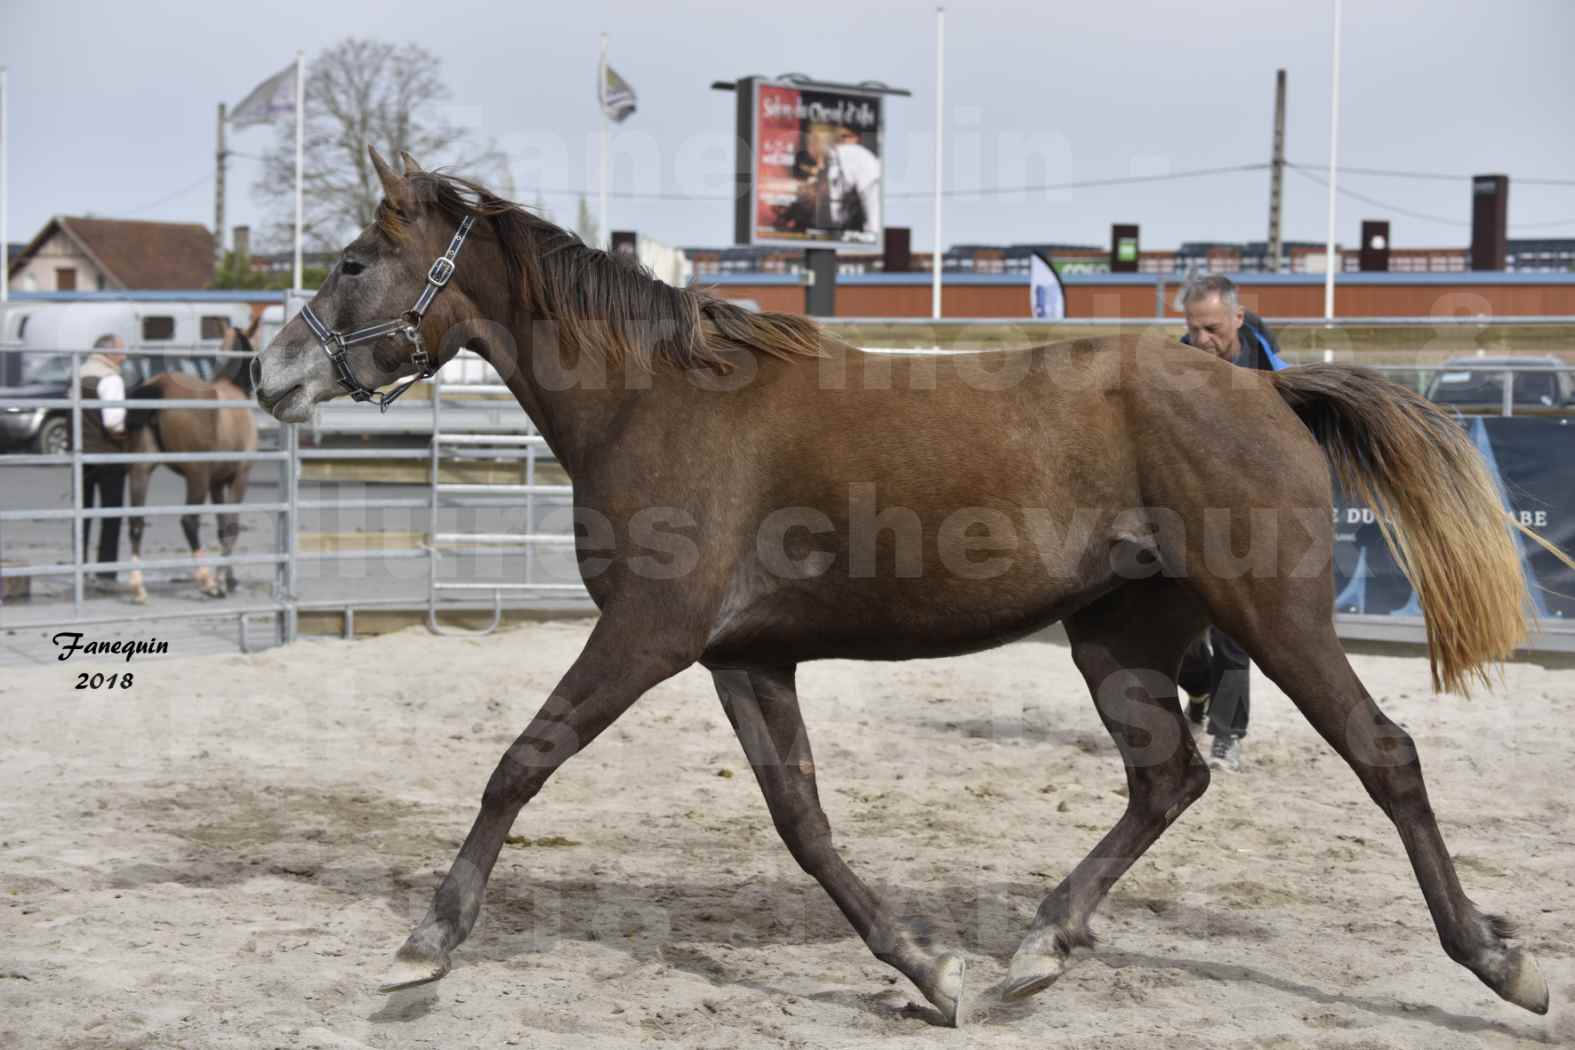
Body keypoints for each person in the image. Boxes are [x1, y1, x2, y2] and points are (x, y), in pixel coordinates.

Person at [1175, 274, 1288, 771]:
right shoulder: (1173, 366)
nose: (1202, 340)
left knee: (1233, 634)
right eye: (1194, 329)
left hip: (1244, 519)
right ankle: (1198, 692)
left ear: (1237, 319)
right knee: (1176, 637)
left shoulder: (1271, 368)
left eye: (1212, 328)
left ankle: (1227, 734)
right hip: (1180, 516)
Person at [78, 334, 129, 588]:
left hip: (81, 454)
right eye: (121, 351)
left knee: (82, 514)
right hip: (108, 455)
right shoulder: (111, 378)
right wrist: (127, 436)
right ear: (109, 353)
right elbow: (113, 421)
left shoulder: (80, 373)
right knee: (111, 515)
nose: (125, 356)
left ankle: (81, 568)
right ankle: (106, 573)